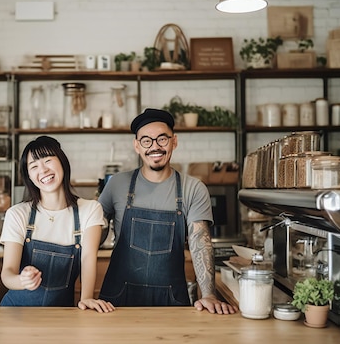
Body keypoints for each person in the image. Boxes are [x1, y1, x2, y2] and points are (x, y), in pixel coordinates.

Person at [97, 108, 237, 314]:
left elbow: (201, 243)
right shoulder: (117, 184)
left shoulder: (193, 188)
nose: (155, 147)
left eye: (162, 139)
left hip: (171, 301)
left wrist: (208, 294)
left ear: (174, 141)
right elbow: (94, 236)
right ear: (137, 146)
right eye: (146, 141)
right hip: (117, 302)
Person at [0, 135, 115, 313]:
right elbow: (7, 273)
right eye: (34, 166)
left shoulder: (90, 210)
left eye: (48, 160)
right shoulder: (18, 214)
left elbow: (88, 259)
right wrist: (22, 280)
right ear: (29, 176)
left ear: (62, 162)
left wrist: (86, 299)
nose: (43, 170)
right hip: (16, 314)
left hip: (62, 316)